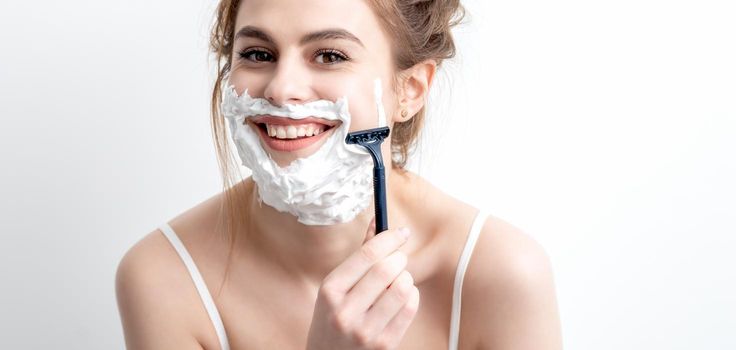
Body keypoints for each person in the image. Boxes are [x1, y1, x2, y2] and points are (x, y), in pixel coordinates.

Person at [115, 0, 563, 349]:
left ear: (410, 90)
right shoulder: (164, 278)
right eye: (257, 53)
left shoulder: (499, 274)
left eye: (329, 55)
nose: (281, 88)